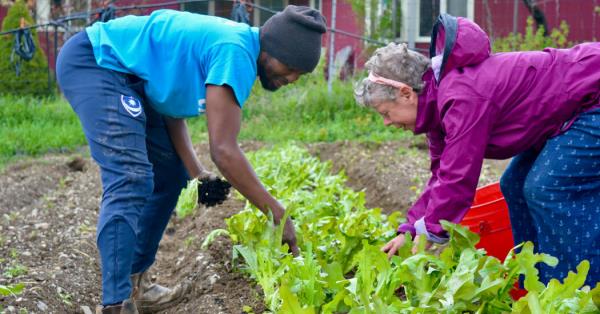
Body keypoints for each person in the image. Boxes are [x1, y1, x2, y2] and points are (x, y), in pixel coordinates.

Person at [56, 6, 326, 313]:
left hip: (133, 79)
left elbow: (170, 108)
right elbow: (224, 150)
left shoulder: (232, 47)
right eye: (290, 67)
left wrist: (197, 173)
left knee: (171, 175)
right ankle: (116, 304)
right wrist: (276, 212)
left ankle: (136, 284)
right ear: (272, 49)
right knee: (131, 177)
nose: (291, 78)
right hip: (97, 63)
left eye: (300, 74)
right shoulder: (235, 50)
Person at [354, 14, 599, 287]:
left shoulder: (461, 96)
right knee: (514, 185)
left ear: (406, 93)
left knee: (547, 188)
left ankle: (578, 292)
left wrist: (429, 232)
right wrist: (410, 229)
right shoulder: (436, 109)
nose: (387, 122)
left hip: (593, 98)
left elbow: (459, 178)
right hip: (567, 113)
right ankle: (537, 288)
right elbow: (441, 176)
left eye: (386, 113)